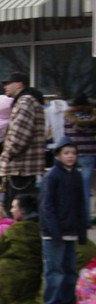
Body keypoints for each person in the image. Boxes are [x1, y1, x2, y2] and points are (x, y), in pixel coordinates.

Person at [39, 137, 89, 304]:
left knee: (69, 270)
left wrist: (82, 230)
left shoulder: (76, 175)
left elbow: (81, 205)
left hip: (71, 231)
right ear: (58, 155)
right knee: (55, 270)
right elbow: (47, 206)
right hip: (54, 233)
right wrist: (54, 230)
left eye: (73, 153)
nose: (70, 157)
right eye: (66, 153)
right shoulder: (52, 175)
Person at [0, 71, 46, 212]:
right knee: (26, 211)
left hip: (20, 169)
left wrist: (8, 154)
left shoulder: (25, 102)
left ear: (19, 84)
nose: (5, 86)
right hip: (25, 168)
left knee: (17, 212)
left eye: (8, 83)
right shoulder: (29, 101)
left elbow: (19, 137)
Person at [62, 94, 96, 226]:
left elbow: (66, 135)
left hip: (72, 155)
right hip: (89, 155)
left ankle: (73, 217)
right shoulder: (93, 118)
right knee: (86, 189)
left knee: (71, 188)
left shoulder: (68, 117)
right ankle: (85, 219)